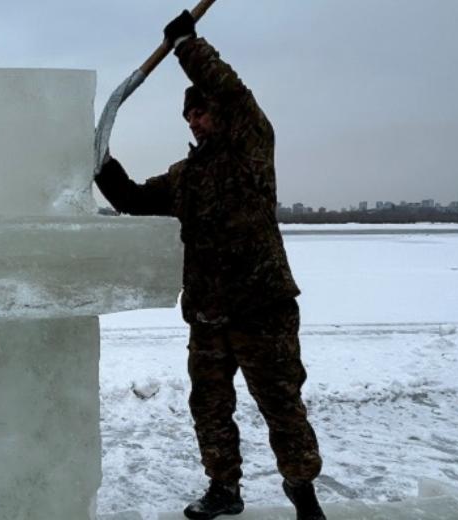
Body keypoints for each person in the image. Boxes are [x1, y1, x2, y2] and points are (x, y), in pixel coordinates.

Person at [94, 10, 327, 520]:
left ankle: (303, 491)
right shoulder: (185, 175)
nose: (196, 121)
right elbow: (133, 199)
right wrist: (101, 165)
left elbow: (236, 95)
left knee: (282, 406)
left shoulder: (251, 150)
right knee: (211, 409)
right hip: (208, 315)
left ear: (220, 114)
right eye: (189, 116)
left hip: (262, 309)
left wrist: (187, 46)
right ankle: (224, 489)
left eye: (202, 112)